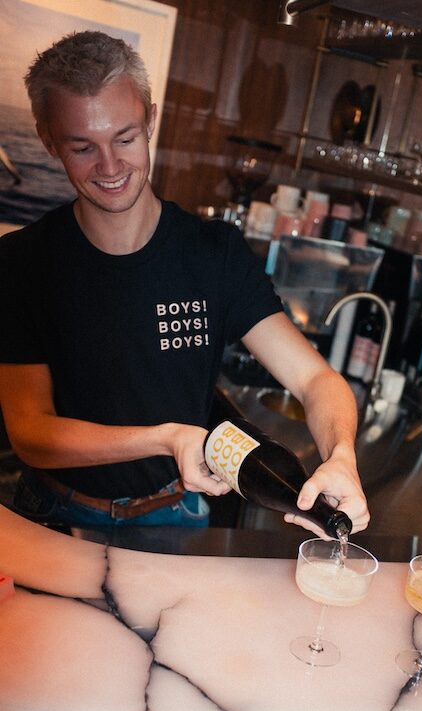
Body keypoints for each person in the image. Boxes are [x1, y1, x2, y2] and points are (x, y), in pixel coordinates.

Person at [0, 30, 369, 538]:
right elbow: (31, 433)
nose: (110, 167)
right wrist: (165, 438)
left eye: (125, 138)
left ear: (151, 119)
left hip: (172, 517)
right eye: (83, 146)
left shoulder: (212, 253)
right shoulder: (22, 262)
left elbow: (315, 381)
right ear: (47, 139)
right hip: (53, 516)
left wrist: (341, 455)